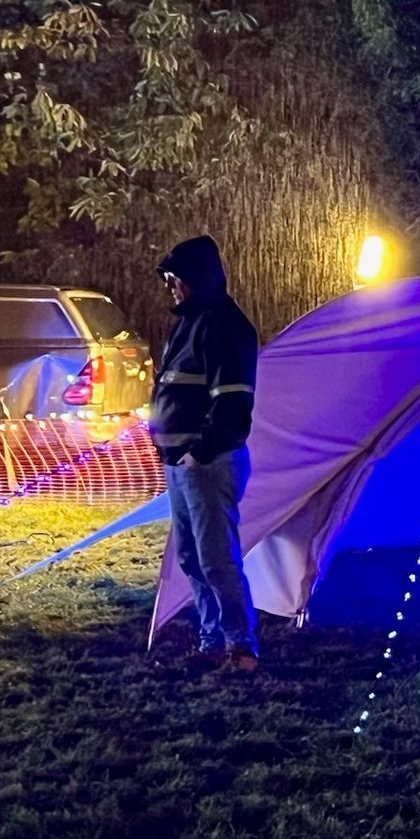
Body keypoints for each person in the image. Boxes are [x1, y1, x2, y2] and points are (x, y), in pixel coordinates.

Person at [150, 234, 260, 669]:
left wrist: (201, 450)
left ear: (197, 278)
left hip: (206, 464)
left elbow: (233, 403)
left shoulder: (224, 325)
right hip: (182, 463)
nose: (171, 287)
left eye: (176, 278)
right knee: (191, 557)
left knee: (216, 559)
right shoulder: (190, 322)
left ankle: (240, 645)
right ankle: (212, 639)